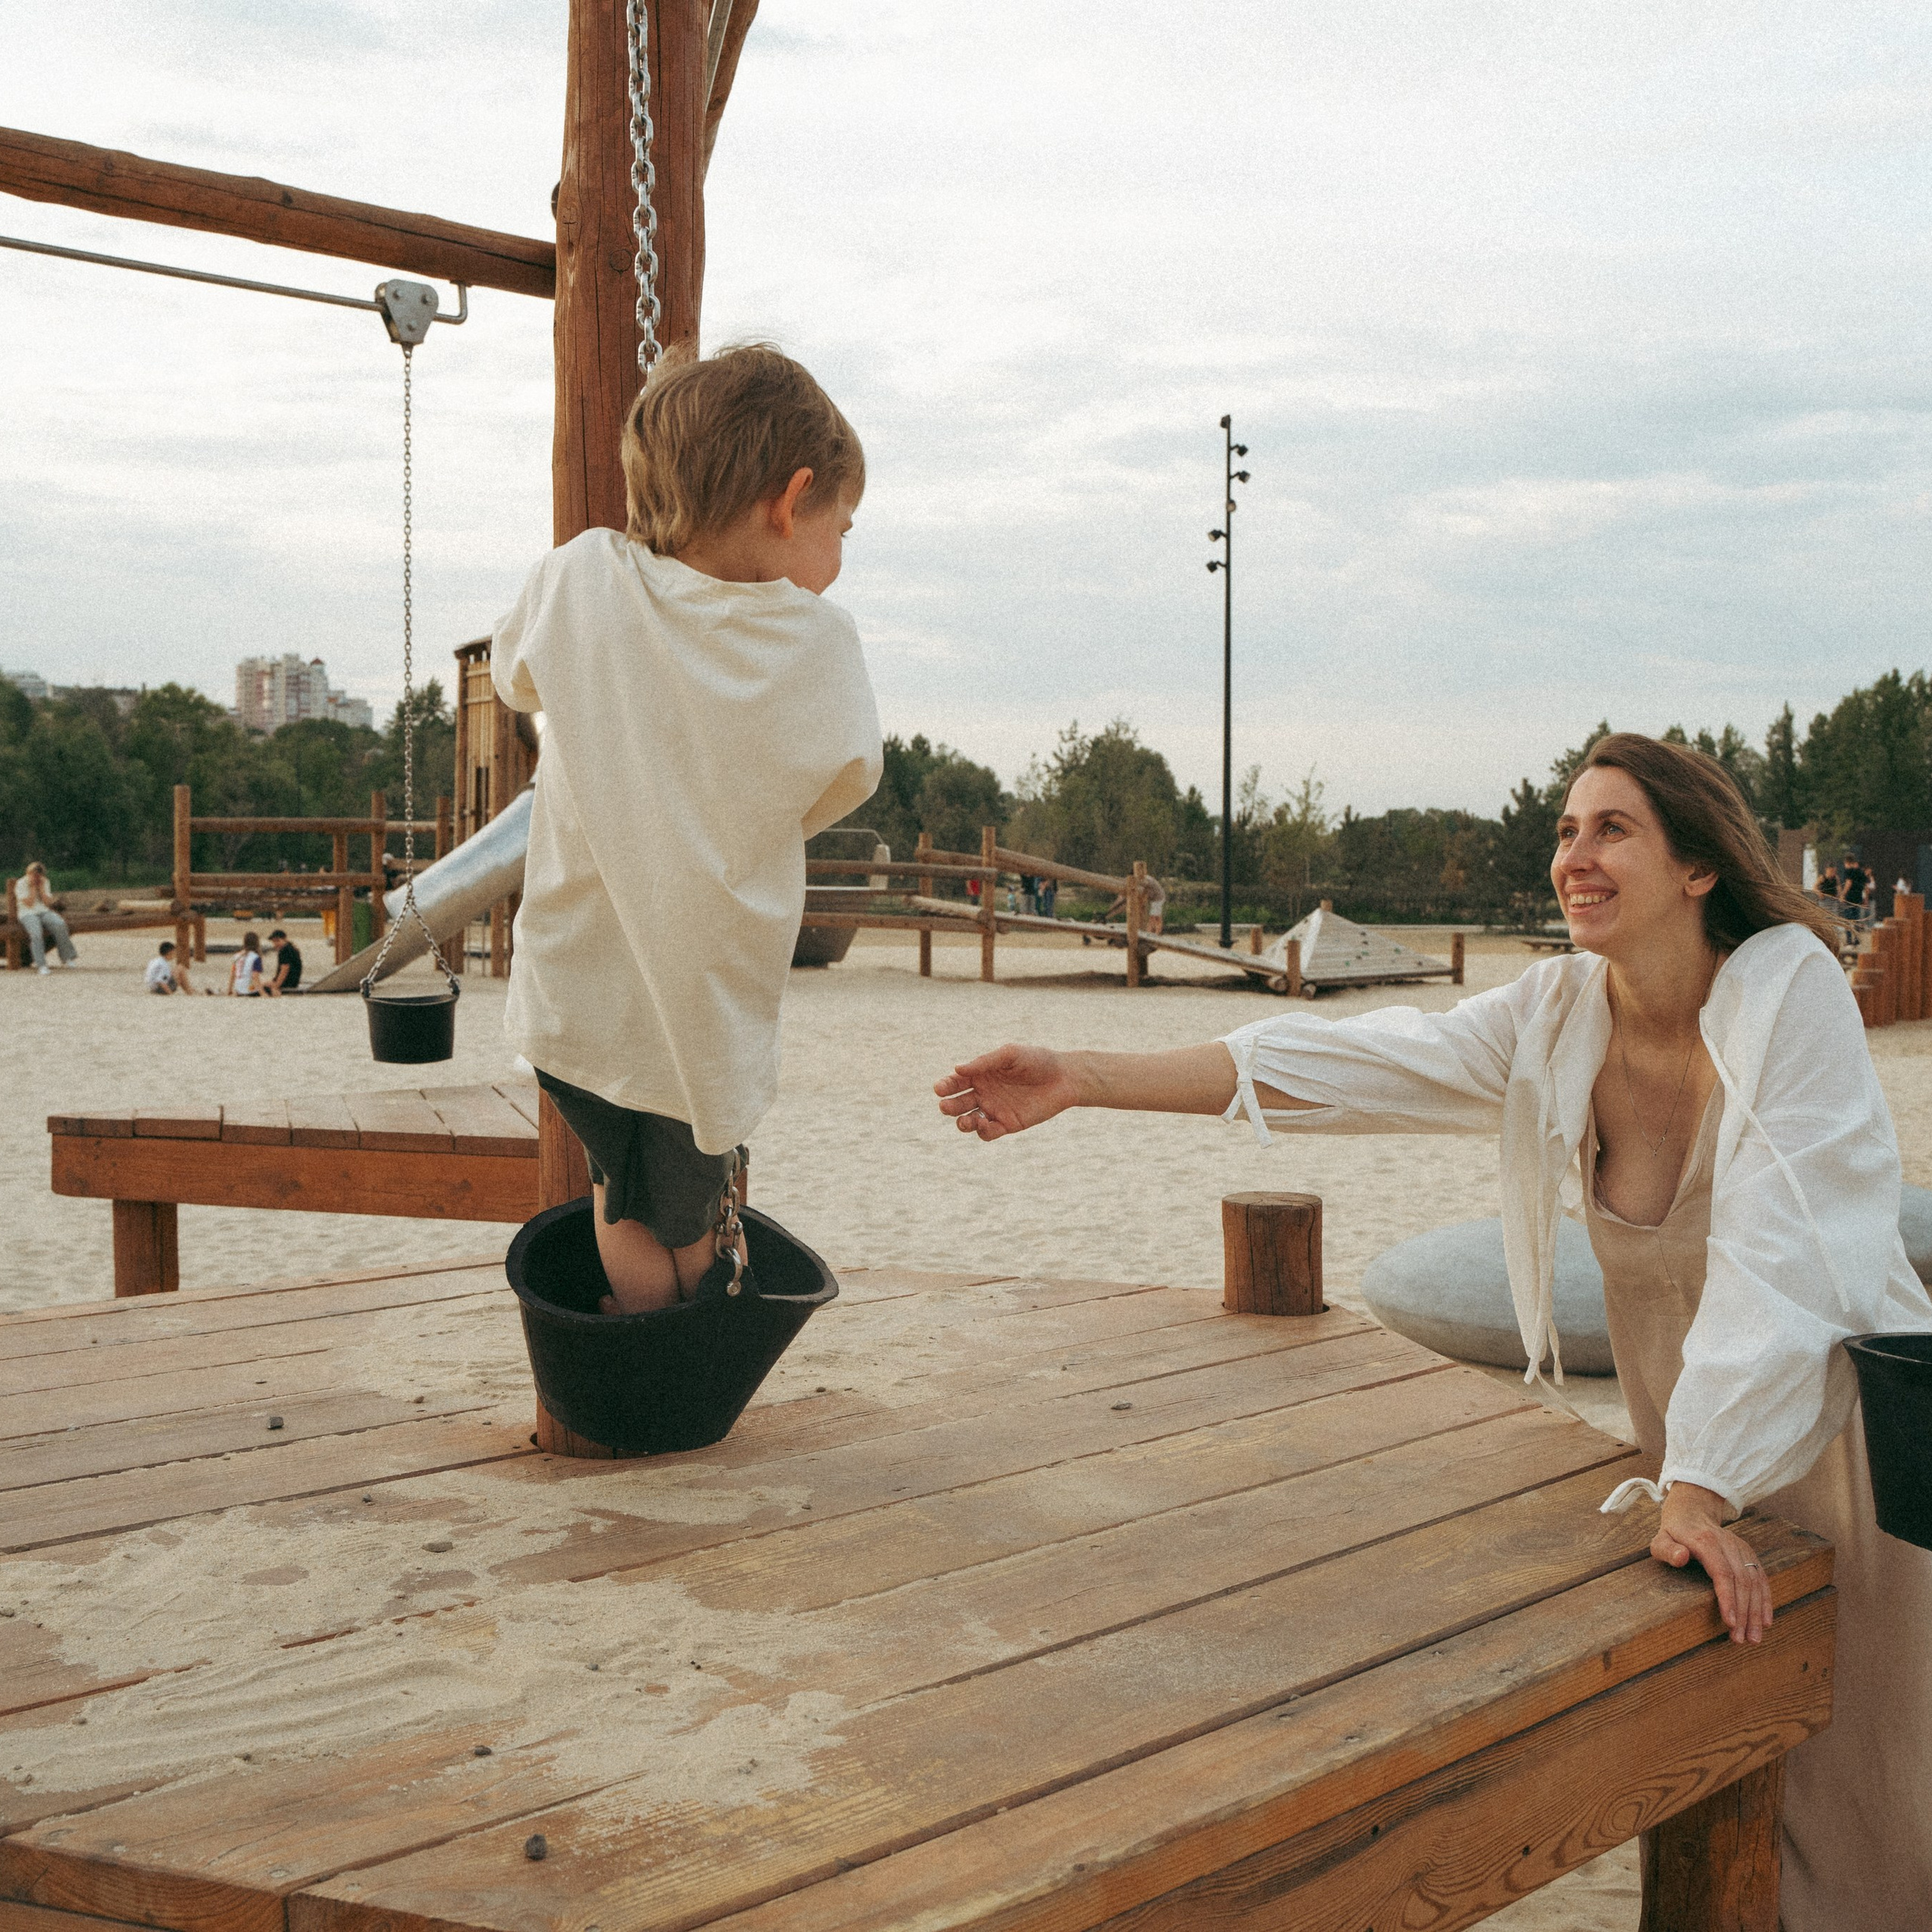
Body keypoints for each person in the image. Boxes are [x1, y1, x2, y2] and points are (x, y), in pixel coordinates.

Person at [934, 733, 1932, 1930]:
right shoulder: (1565, 1013)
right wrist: (1085, 1073)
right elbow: (1362, 1059)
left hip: (1844, 1456)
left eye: (1613, 829)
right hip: (1695, 1476)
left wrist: (1702, 1485)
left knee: (1866, 1811)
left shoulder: (1790, 993)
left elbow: (1790, 1253)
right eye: (1566, 831)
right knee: (1726, 1799)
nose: (1576, 855)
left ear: (1699, 867)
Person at [493, 343, 880, 1316]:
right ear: (789, 504)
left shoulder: (581, 577)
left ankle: (642, 1343)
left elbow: (515, 678)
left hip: (579, 978)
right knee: (693, 1197)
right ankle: (675, 1356)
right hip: (705, 993)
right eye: (844, 526)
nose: (839, 555)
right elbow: (842, 781)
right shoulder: (816, 642)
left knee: (620, 1185)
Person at [14, 861, 77, 974]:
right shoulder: (21, 883)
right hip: (27, 913)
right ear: (29, 874)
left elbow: (48, 903)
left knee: (60, 925)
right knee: (36, 933)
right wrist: (33, 888)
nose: (37, 878)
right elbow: (29, 903)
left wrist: (42, 889)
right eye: (34, 876)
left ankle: (67, 957)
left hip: (43, 911)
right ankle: (41, 965)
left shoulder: (45, 882)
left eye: (39, 876)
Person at [143, 940, 208, 995]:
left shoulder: (155, 960)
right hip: (158, 989)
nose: (175, 955)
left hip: (151, 987)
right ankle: (189, 991)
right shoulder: (164, 964)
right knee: (181, 968)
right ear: (170, 953)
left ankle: (190, 990)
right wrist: (170, 993)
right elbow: (160, 981)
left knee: (176, 972)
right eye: (174, 953)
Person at [228, 931, 266, 996]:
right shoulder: (256, 957)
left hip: (238, 990)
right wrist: (263, 993)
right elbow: (255, 976)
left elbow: (233, 974)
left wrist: (229, 990)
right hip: (250, 990)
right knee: (270, 987)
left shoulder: (237, 956)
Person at [266, 928, 303, 995]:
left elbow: (285, 969)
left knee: (260, 987)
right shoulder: (291, 948)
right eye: (274, 941)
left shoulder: (284, 950)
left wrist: (276, 986)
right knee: (263, 984)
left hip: (287, 983)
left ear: (284, 939)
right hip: (293, 982)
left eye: (278, 941)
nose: (275, 944)